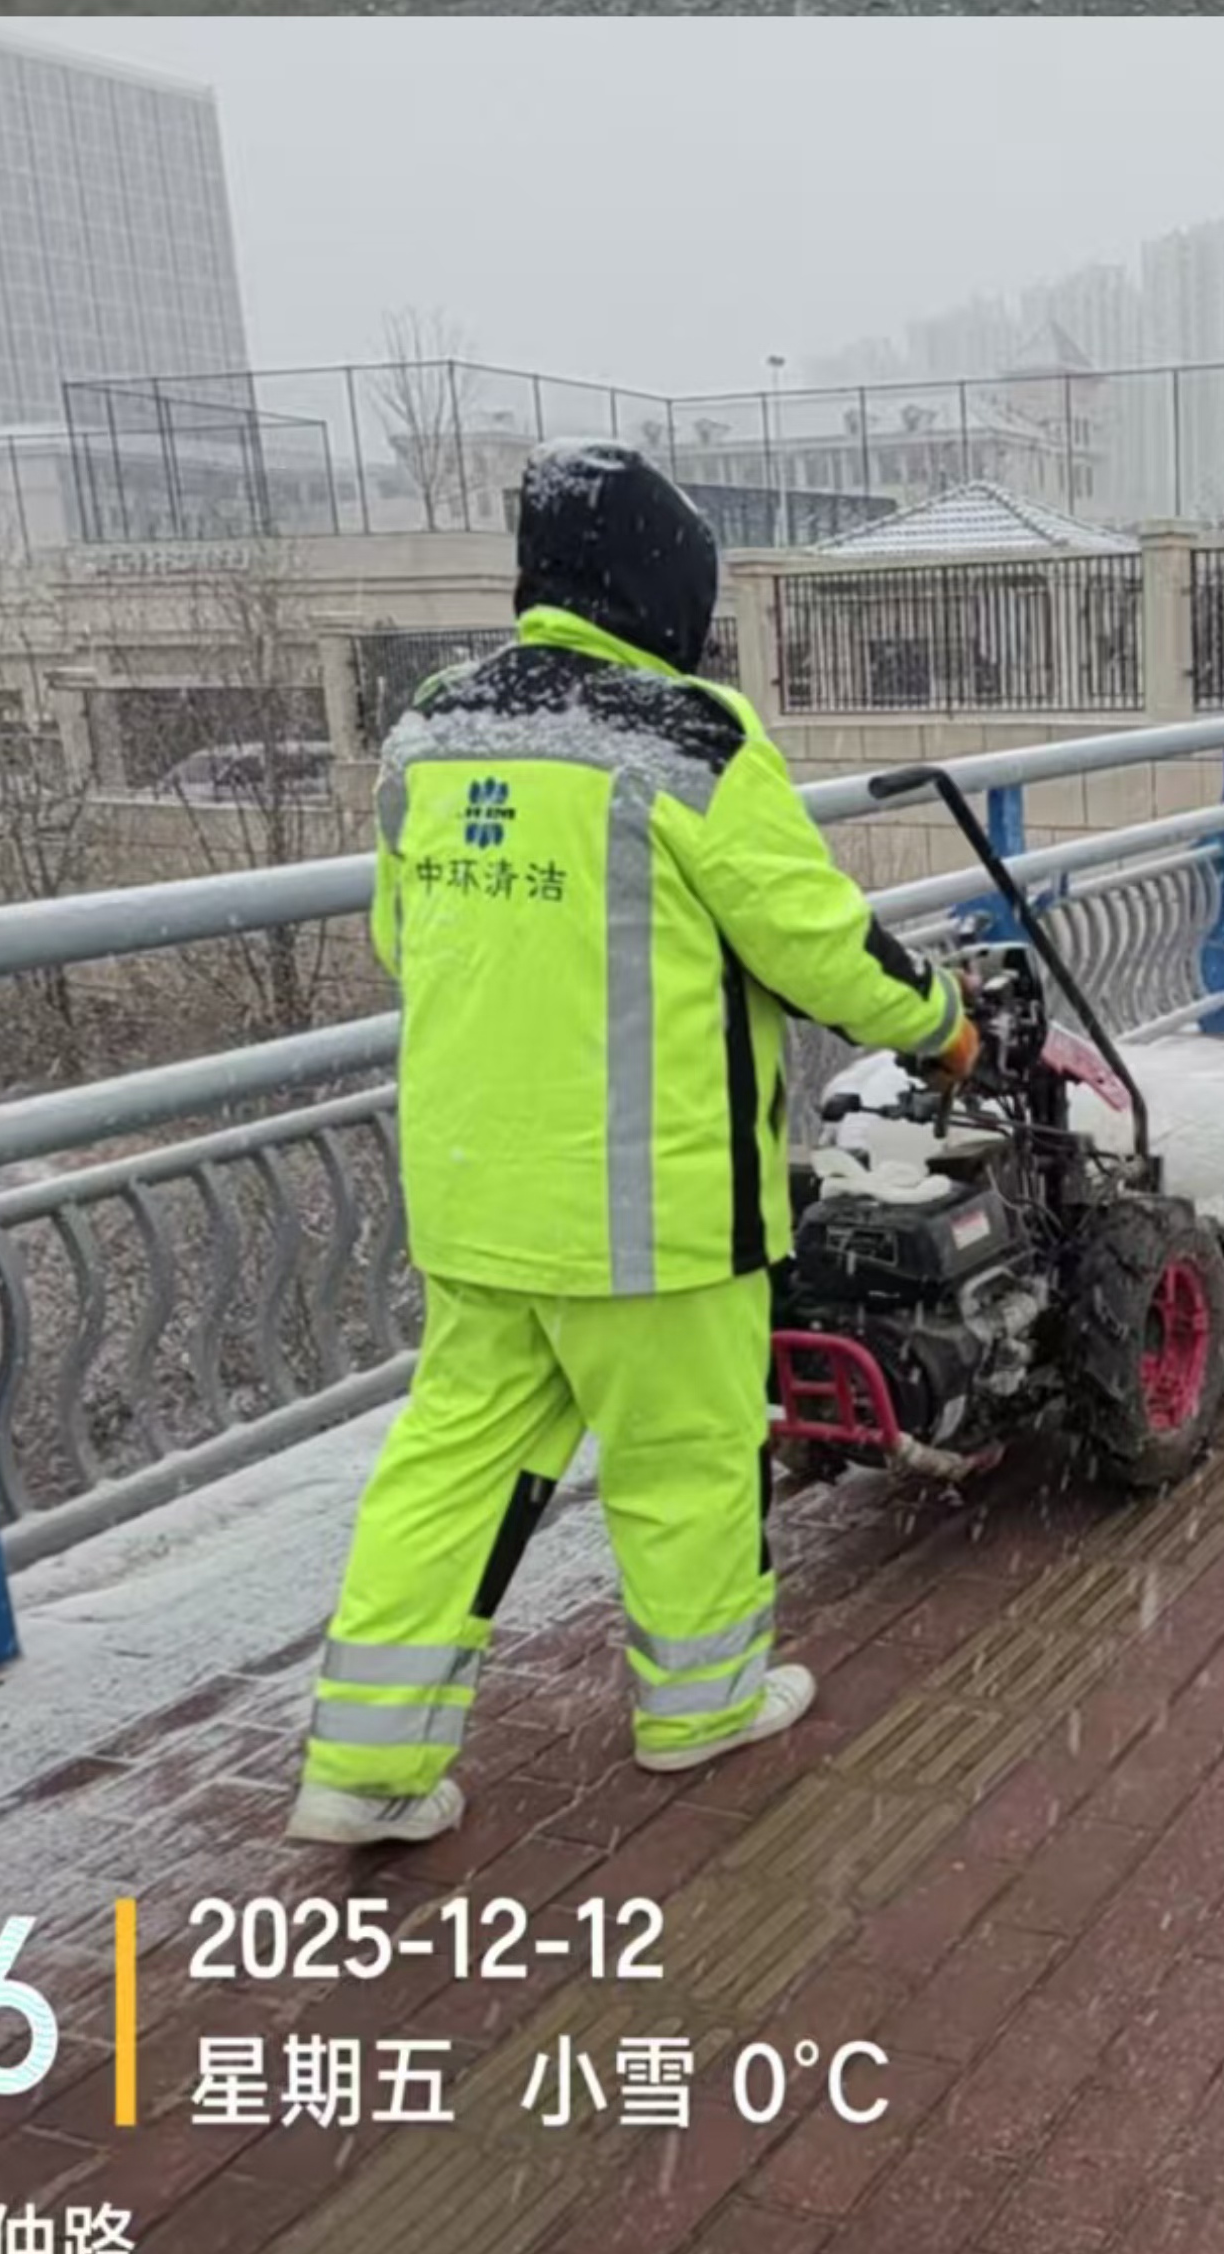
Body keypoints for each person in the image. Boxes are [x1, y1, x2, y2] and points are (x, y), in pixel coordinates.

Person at [289, 445, 977, 1846]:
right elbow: (816, 944)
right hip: (652, 1205)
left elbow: (399, 940)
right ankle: (701, 1703)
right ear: (667, 587)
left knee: (454, 1465)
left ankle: (362, 1765)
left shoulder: (428, 730)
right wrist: (942, 1024)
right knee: (686, 1460)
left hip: (478, 1199)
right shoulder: (686, 738)